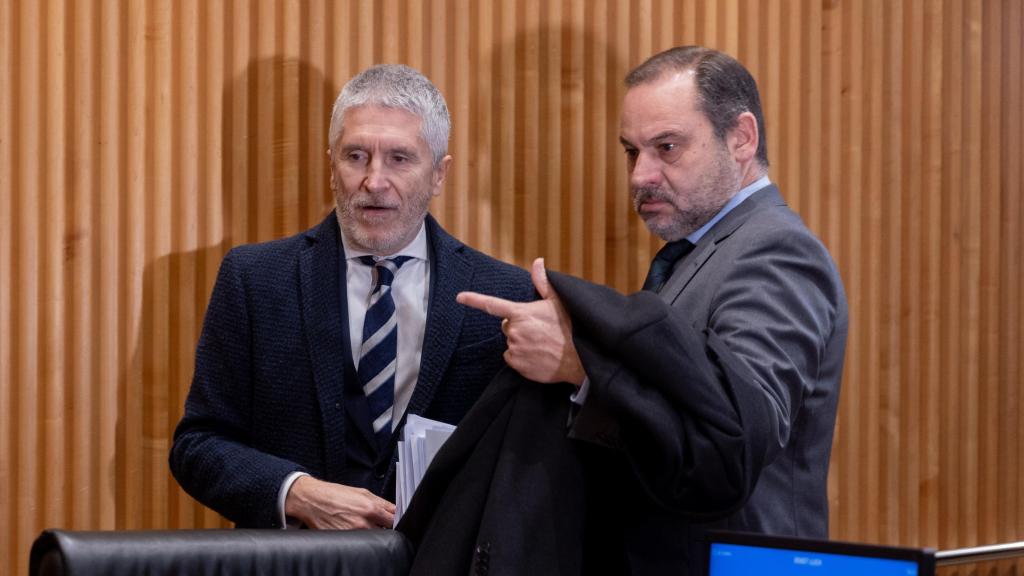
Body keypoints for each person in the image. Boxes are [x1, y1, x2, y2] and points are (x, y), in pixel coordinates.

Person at [455, 45, 848, 573]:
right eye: (631, 152)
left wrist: (581, 365)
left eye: (667, 147)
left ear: (741, 138)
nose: (641, 176)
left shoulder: (775, 252)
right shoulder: (692, 255)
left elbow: (732, 440)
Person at [169, 64, 534, 530]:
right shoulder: (254, 280)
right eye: (356, 156)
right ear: (331, 164)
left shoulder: (504, 294)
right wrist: (295, 492)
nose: (374, 181)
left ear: (439, 174)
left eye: (400, 159)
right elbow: (197, 444)